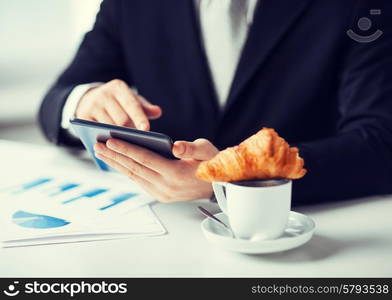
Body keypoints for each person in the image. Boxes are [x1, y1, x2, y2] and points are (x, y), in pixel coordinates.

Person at [39, 0, 392, 205]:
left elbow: (381, 143)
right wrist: (84, 100)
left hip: (307, 231)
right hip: (163, 233)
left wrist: (230, 176)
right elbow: (57, 100)